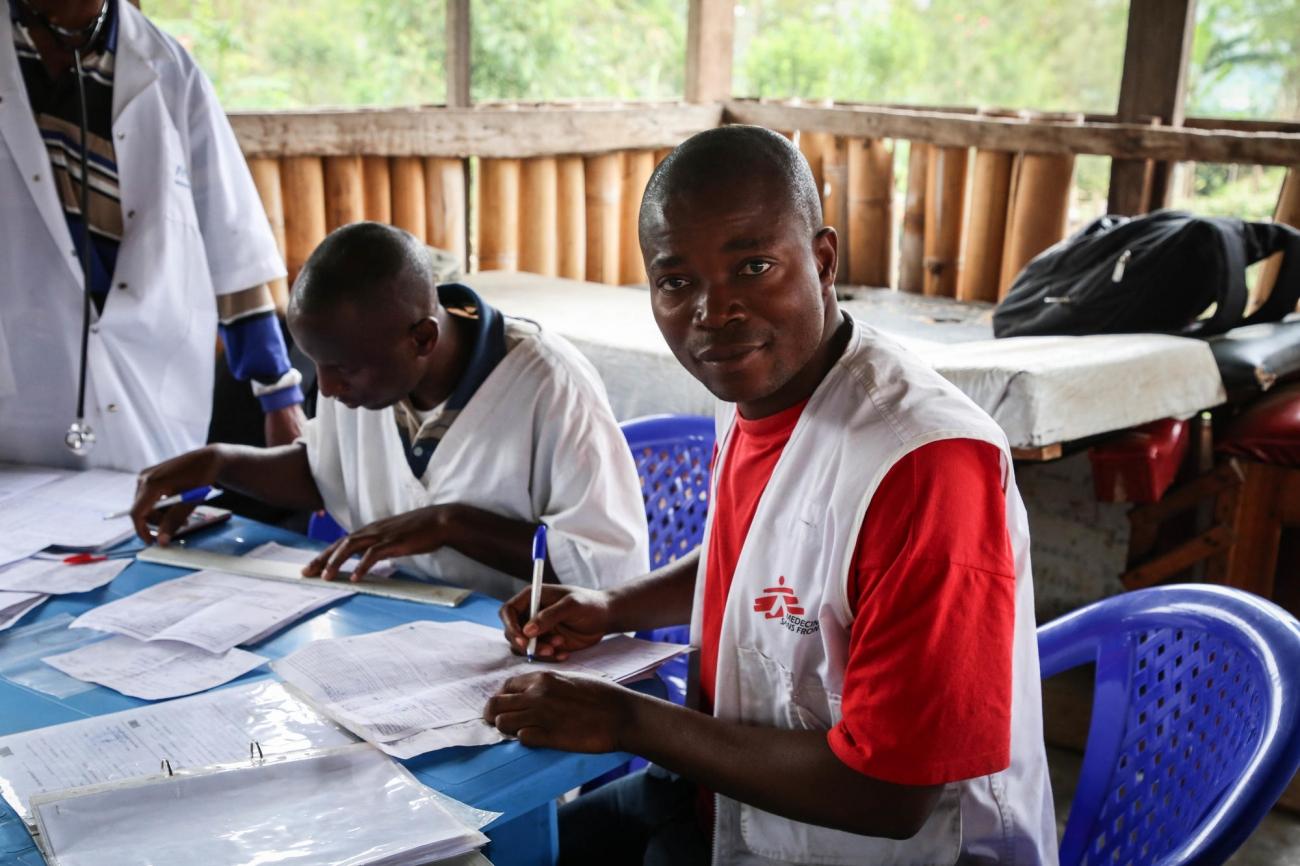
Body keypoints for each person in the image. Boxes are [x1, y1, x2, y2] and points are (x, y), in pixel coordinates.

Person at [485, 126, 1057, 864]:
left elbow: (888, 795)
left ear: (823, 260)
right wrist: (614, 605)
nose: (713, 312)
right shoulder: (760, 378)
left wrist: (626, 721)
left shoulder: (925, 464)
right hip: (722, 801)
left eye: (753, 266)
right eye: (676, 281)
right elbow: (764, 556)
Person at [130, 222, 649, 600]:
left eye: (343, 369)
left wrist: (452, 524)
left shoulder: (548, 385)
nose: (327, 388)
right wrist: (219, 462)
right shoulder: (362, 372)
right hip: (399, 623)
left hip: (523, 647)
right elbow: (326, 475)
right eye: (317, 366)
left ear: (422, 337)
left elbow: (606, 570)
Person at [0, 0, 304, 473]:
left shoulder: (170, 73)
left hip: (146, 386)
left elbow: (230, 239)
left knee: (140, 532)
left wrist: (278, 394)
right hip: (19, 385)